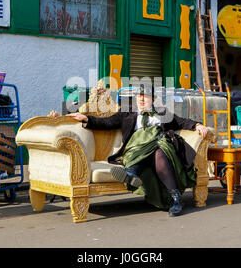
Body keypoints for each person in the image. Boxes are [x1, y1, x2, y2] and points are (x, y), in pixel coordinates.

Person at [68, 84, 209, 217]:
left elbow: (181, 121)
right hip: (135, 150)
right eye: (139, 96)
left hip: (159, 147)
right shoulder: (127, 113)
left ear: (153, 99)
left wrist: (197, 125)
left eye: (145, 96)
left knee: (158, 150)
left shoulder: (162, 112)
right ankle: (174, 196)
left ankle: (135, 174)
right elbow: (106, 122)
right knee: (152, 151)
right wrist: (86, 118)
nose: (141, 99)